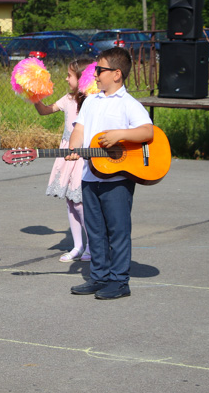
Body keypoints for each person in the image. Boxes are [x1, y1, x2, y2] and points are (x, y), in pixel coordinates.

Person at [65, 47, 153, 299]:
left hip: (117, 180)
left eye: (99, 70)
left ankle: (119, 281)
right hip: (90, 175)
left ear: (116, 74)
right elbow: (80, 129)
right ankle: (99, 276)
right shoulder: (91, 100)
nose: (95, 74)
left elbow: (148, 131)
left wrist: (121, 135)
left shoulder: (129, 104)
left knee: (118, 230)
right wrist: (74, 147)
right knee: (95, 230)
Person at [31, 57, 96, 262]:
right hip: (66, 154)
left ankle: (93, 245)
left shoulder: (93, 101)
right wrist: (34, 97)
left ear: (82, 78)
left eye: (70, 75)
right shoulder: (67, 99)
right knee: (70, 200)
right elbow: (45, 111)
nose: (66, 79)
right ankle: (77, 246)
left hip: (83, 156)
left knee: (80, 203)